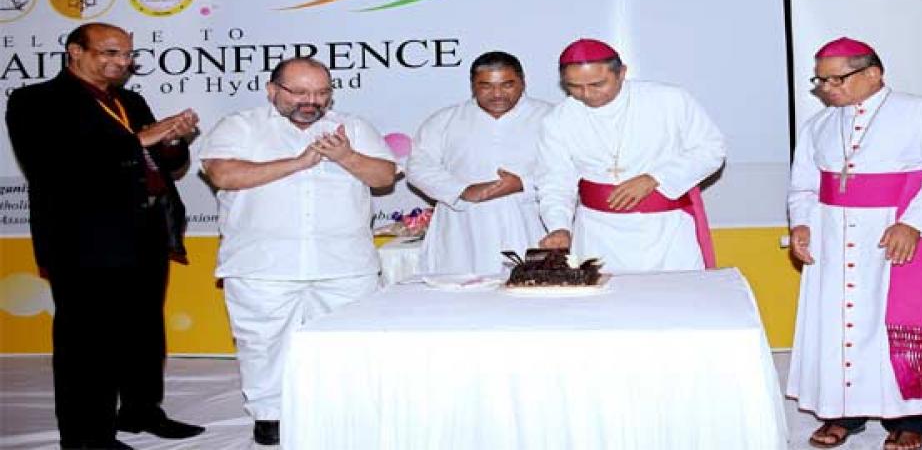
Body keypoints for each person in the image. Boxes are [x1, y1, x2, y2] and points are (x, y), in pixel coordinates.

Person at [5, 22, 204, 449]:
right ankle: (85, 437)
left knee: (143, 329)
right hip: (84, 240)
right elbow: (55, 165)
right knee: (86, 343)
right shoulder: (34, 101)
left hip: (146, 231)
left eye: (128, 55)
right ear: (75, 51)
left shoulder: (129, 100)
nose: (122, 62)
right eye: (110, 53)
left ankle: (140, 410)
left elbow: (163, 162)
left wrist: (173, 139)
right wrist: (142, 139)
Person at [198, 57, 395, 446]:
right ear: (273, 90)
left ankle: (343, 412)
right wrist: (300, 162)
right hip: (262, 263)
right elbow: (222, 173)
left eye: (321, 92)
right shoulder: (240, 126)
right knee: (263, 344)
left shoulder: (352, 128)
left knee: (348, 344)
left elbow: (384, 176)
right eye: (300, 92)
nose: (311, 101)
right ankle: (269, 415)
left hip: (344, 264)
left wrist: (346, 157)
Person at [786, 37, 922, 450]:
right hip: (834, 238)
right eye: (821, 80)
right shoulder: (819, 125)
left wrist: (913, 224)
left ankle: (908, 419)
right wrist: (802, 225)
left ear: (873, 73)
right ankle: (844, 412)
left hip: (892, 234)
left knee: (895, 324)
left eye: (837, 79)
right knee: (840, 324)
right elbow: (803, 186)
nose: (827, 88)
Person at [535, 38, 725, 271]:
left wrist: (655, 178)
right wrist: (559, 227)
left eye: (597, 84)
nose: (587, 94)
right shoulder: (558, 120)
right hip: (597, 233)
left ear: (621, 73)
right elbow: (555, 181)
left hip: (667, 232)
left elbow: (711, 150)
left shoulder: (669, 100)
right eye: (574, 86)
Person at [407, 51, 552, 274]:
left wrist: (523, 184)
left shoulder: (551, 118)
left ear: (523, 82)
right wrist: (463, 190)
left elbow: (574, 169)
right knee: (462, 300)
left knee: (535, 297)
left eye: (507, 85)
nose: (497, 94)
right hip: (463, 229)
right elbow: (418, 167)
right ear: (473, 85)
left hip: (531, 224)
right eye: (486, 86)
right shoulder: (445, 120)